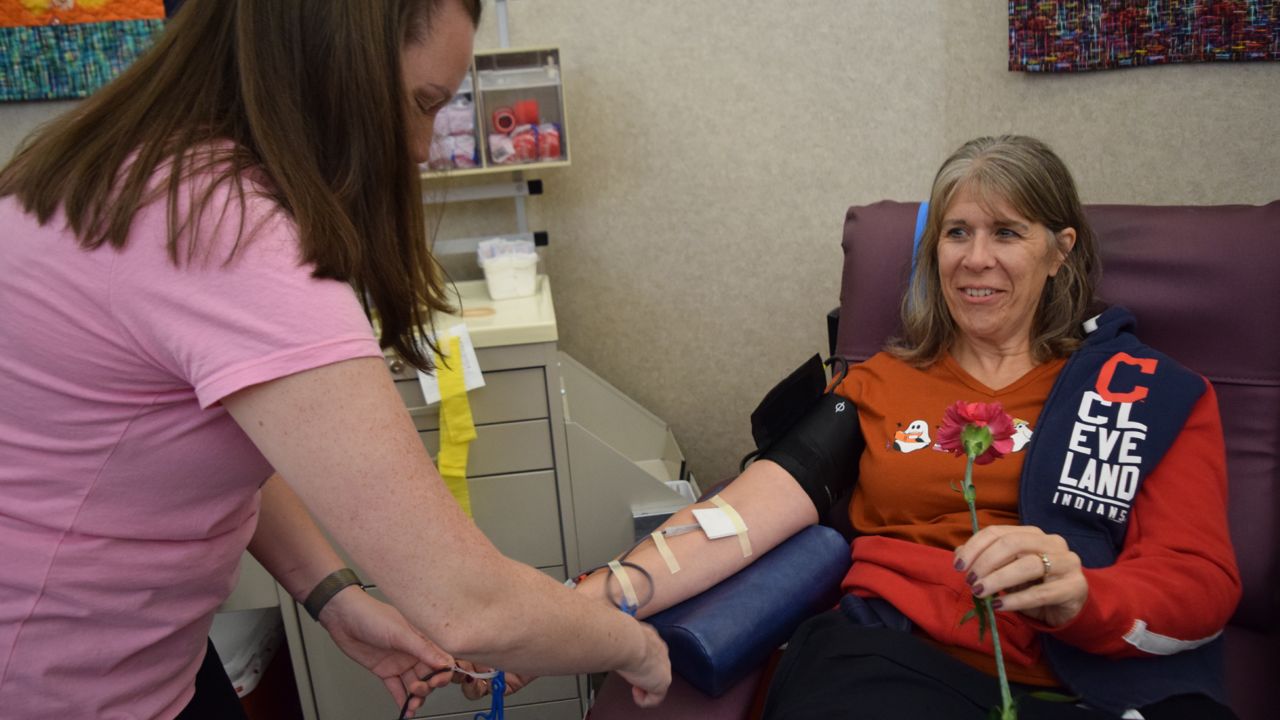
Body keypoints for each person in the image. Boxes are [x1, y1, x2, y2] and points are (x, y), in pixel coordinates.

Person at [0, 2, 670, 718]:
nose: (419, 147)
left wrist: (335, 596)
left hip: (138, 654)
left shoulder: (127, 168)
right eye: (421, 104)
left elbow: (207, 444)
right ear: (330, 59)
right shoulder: (223, 225)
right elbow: (469, 605)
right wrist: (636, 647)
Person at [567, 136, 1240, 719]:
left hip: (1091, 682)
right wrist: (573, 612)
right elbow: (731, 523)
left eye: (1007, 232)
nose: (975, 259)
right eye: (957, 232)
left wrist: (1087, 597)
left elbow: (1199, 581)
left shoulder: (1143, 394)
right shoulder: (880, 383)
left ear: (1059, 251)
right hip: (890, 665)